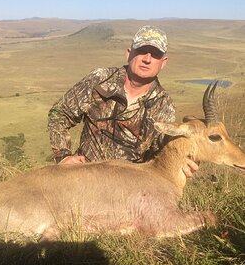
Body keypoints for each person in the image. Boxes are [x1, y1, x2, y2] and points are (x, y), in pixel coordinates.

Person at [48, 25, 198, 177]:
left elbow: (161, 154)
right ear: (129, 54)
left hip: (129, 187)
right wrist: (63, 156)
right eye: (141, 51)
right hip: (84, 176)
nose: (147, 59)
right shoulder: (100, 79)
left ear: (163, 62)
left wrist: (180, 161)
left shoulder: (164, 106)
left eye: (155, 55)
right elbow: (59, 114)